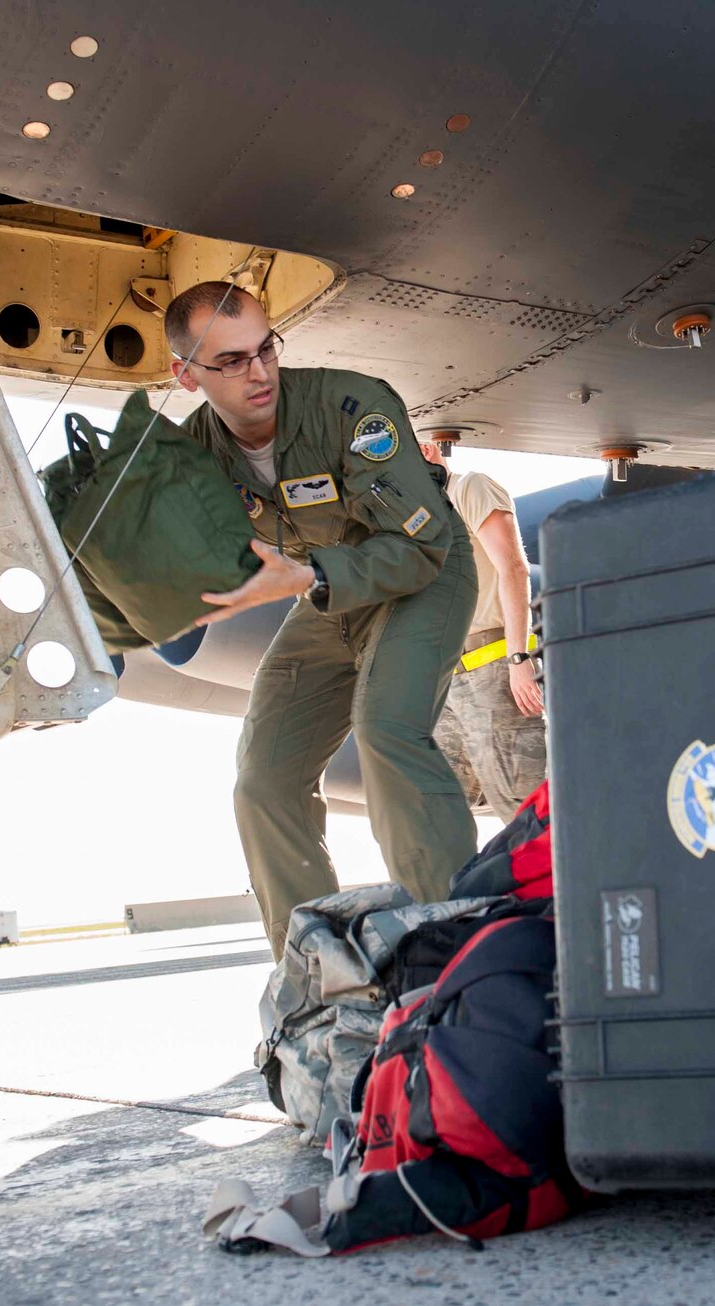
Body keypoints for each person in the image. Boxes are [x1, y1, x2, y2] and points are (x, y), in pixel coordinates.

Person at [166, 281, 478, 957]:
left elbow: (419, 547)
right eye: (230, 361)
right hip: (330, 595)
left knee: (385, 731)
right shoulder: (195, 454)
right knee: (264, 780)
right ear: (185, 374)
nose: (258, 373)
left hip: (418, 574)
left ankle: (465, 957)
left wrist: (308, 577)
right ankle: (314, 974)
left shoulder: (351, 406)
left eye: (266, 350)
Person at [418, 437, 548, 822]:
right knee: (437, 809)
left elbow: (513, 568)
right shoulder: (421, 519)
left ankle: (560, 882)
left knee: (522, 803)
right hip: (446, 681)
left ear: (427, 452)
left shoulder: (469, 487)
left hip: (493, 670)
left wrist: (519, 658)